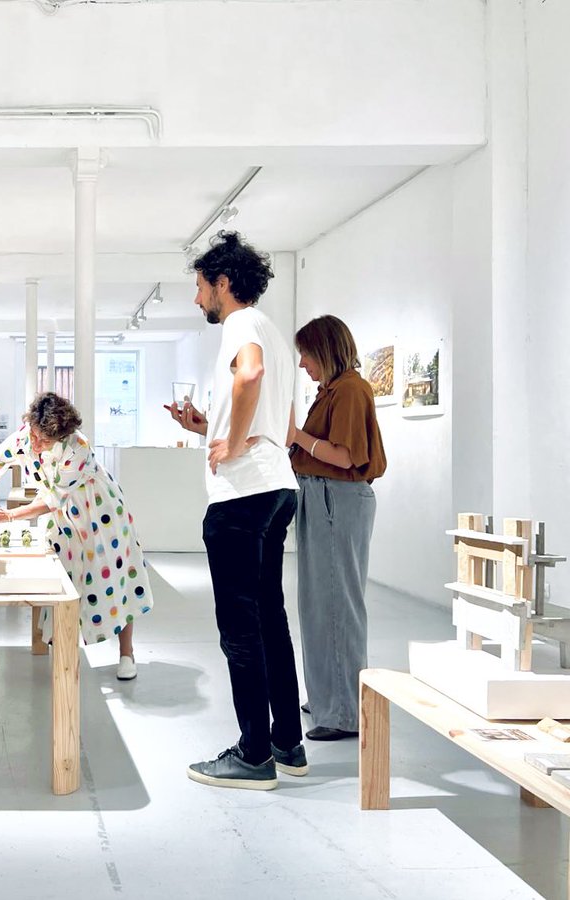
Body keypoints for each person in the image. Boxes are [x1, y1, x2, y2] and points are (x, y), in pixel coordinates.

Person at [168, 231, 306, 791]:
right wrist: (212, 429)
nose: (197, 298)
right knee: (270, 618)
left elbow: (250, 376)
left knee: (240, 628)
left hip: (242, 496)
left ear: (223, 284)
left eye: (201, 287)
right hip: (277, 486)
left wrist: (232, 444)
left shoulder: (241, 323)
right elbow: (282, 421)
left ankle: (253, 755)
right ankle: (287, 742)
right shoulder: (273, 332)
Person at [0, 393, 153, 680]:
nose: (36, 444)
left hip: (100, 515)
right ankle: (61, 646)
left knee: (115, 579)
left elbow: (52, 499)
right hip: (63, 520)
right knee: (62, 579)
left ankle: (127, 652)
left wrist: (9, 515)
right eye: (34, 435)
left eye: (45, 441)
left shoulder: (77, 448)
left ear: (62, 436)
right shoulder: (27, 434)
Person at [289, 315, 387, 741]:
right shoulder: (333, 390)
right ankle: (328, 697)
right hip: (324, 497)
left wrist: (296, 436)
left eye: (306, 355)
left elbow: (345, 457)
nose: (303, 364)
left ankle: (343, 711)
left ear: (324, 350)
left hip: (337, 499)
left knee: (335, 604)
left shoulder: (349, 389)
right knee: (319, 602)